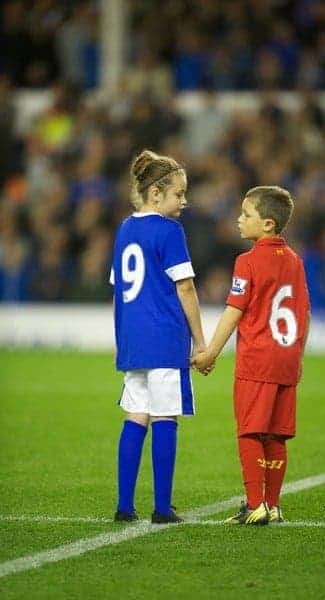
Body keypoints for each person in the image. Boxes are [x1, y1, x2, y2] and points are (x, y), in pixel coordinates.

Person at [192, 186, 310, 525]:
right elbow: (306, 312)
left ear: (268, 224)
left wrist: (210, 353)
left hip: (257, 360)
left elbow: (233, 310)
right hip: (287, 360)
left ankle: (255, 504)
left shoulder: (247, 261)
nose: (239, 220)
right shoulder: (295, 262)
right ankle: (272, 505)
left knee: (249, 431)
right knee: (276, 435)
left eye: (246, 215)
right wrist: (297, 355)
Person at [110, 149, 206, 524]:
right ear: (155, 194)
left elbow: (118, 287)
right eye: (178, 194)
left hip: (133, 341)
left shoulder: (124, 228)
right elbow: (185, 288)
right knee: (166, 416)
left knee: (136, 415)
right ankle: (163, 509)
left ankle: (124, 506)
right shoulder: (169, 230)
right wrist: (200, 342)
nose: (184, 201)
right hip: (165, 339)